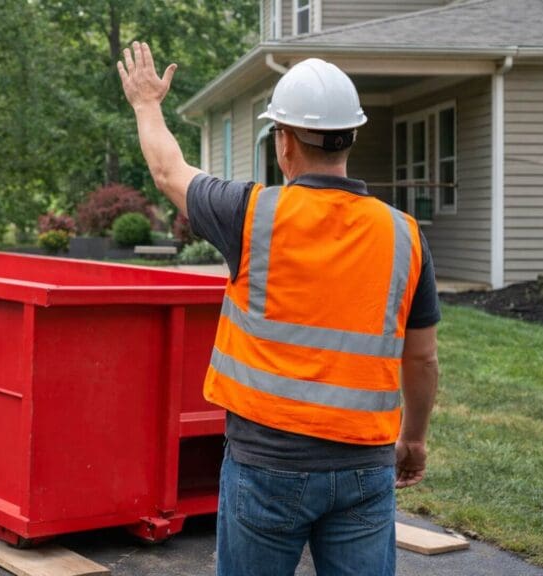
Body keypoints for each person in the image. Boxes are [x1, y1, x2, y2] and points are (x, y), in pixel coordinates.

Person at [118, 42, 440, 576]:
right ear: (351, 139)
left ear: (284, 142)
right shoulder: (403, 235)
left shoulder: (250, 214)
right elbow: (423, 360)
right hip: (364, 466)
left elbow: (168, 171)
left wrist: (147, 104)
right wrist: (414, 439)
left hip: (266, 465)